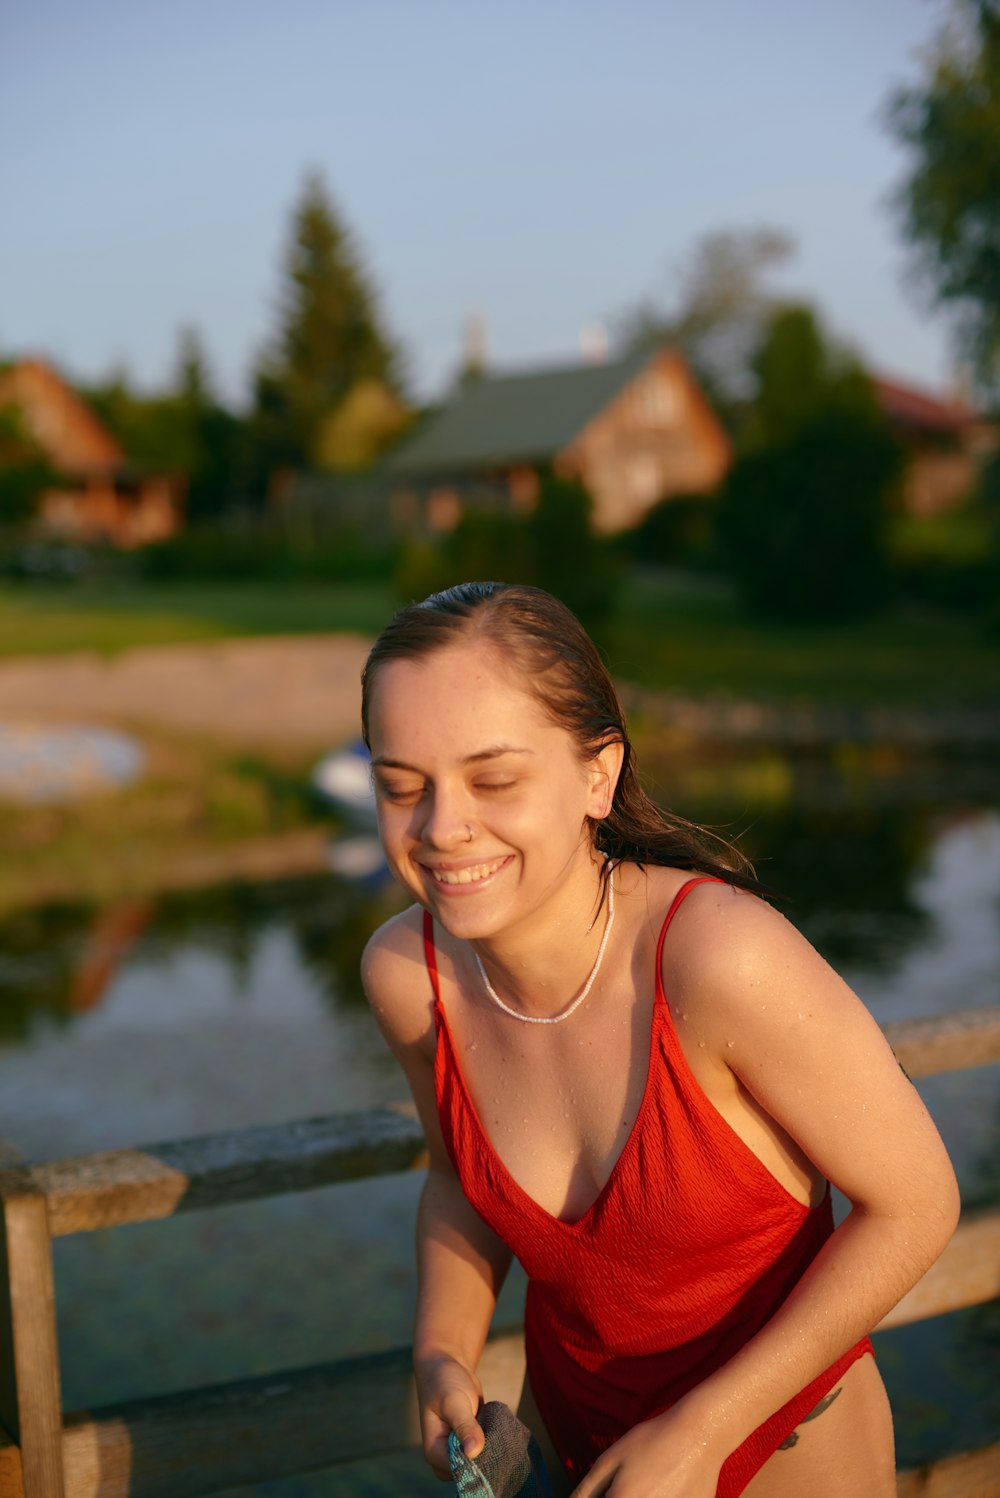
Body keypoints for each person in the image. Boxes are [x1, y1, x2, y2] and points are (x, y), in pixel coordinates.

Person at [360, 581, 959, 1498]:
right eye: (402, 786)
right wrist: (443, 1353)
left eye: (494, 780)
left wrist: (698, 1434)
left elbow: (917, 1204)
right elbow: (457, 1178)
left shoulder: (720, 958)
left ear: (597, 775)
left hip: (787, 1459)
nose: (442, 829)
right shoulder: (410, 977)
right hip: (579, 1453)